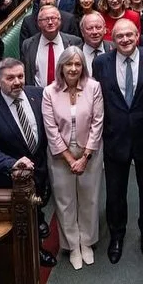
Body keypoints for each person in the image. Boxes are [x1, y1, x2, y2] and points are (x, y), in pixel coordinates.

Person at [0, 58, 57, 268]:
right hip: (11, 179)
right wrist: (13, 163)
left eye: (20, 76)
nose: (17, 81)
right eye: (10, 78)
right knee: (21, 223)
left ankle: (39, 236)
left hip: (40, 171)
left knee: (36, 211)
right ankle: (31, 256)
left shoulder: (38, 94)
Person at [93, 18, 143, 263]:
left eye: (129, 35)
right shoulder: (100, 62)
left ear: (138, 36)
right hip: (115, 137)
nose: (125, 40)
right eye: (120, 36)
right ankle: (117, 235)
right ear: (112, 38)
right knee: (115, 192)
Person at [43, 48, 105, 270]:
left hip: (90, 150)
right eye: (68, 64)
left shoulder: (93, 87)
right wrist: (70, 159)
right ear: (61, 66)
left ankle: (87, 241)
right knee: (65, 201)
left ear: (83, 66)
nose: (73, 69)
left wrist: (85, 156)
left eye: (78, 64)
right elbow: (51, 130)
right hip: (61, 154)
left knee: (89, 198)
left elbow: (98, 122)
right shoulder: (49, 92)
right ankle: (72, 245)